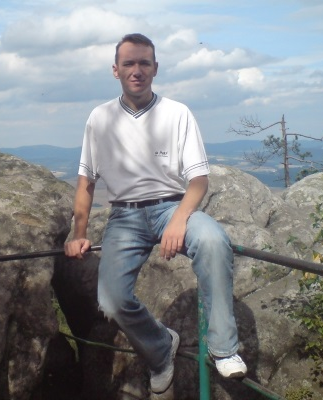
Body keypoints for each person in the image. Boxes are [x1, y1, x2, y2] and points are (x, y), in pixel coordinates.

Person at [64, 33, 247, 394]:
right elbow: (86, 181)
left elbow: (198, 180)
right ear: (115, 70)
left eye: (144, 63)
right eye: (129, 63)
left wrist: (178, 220)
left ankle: (224, 349)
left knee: (213, 240)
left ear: (155, 68)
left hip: (172, 207)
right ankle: (161, 348)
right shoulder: (100, 118)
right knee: (112, 300)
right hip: (124, 216)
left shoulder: (177, 113)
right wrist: (78, 234)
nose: (137, 70)